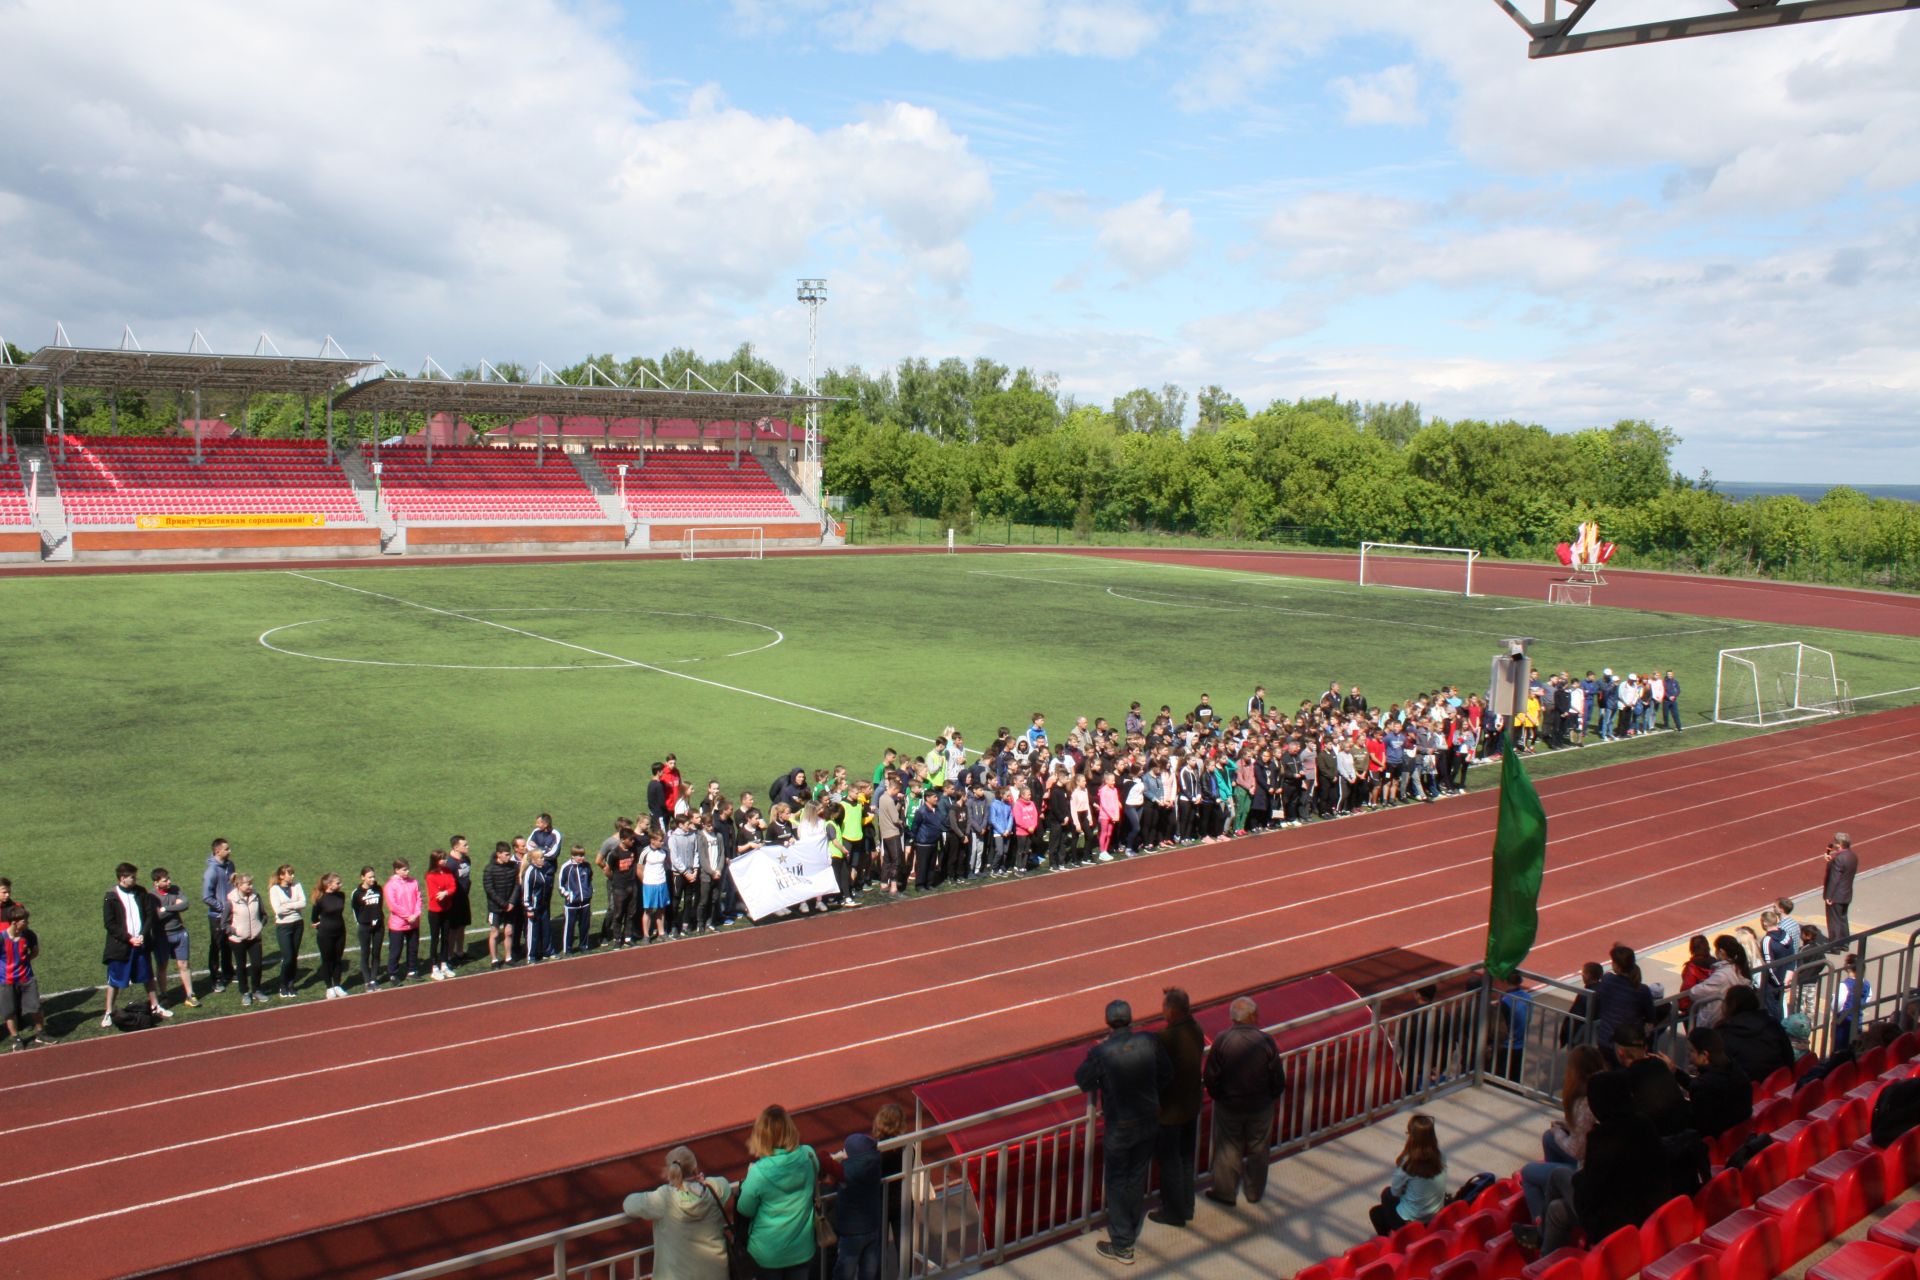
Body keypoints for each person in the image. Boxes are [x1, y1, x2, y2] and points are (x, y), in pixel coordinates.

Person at [1073, 998, 1172, 1265]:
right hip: (1148, 1119)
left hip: (1121, 1125)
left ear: (1108, 1022)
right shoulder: (1149, 1041)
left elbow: (1082, 1079)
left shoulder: (1102, 1053)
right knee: (1137, 1175)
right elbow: (1166, 1073)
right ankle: (1128, 1229)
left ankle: (1122, 1244)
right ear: (1130, 1019)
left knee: (1117, 1181)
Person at [1204, 995, 1285, 1209]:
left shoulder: (1222, 1040)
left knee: (1228, 1149)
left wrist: (1218, 1095)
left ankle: (1225, 1192)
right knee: (1259, 1149)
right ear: (1251, 1016)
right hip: (1260, 1105)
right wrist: (1271, 1096)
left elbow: (1210, 1075)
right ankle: (1254, 1192)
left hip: (1229, 1105)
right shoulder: (1266, 1041)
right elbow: (1278, 1076)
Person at [1521, 1045, 1605, 1222]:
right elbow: (1586, 1131)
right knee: (1548, 1138)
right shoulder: (1604, 1091)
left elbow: (1576, 1151)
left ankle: (1541, 1224)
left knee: (1528, 1172)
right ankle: (1556, 1193)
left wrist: (1560, 1132)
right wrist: (1566, 1128)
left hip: (1587, 1172)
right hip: (1593, 1160)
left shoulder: (1584, 1103)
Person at [623, 1145, 732, 1280]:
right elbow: (725, 1185)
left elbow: (629, 1204)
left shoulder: (665, 1197)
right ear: (695, 1168)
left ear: (671, 1171)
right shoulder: (714, 1189)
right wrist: (702, 1182)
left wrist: (672, 1185)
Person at [736, 1104, 819, 1280]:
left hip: (767, 1253)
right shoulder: (808, 1155)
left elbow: (745, 1208)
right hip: (802, 1249)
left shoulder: (759, 1172)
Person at [1151, 986, 1204, 1229]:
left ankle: (1173, 1212)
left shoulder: (1166, 1038)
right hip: (1191, 1106)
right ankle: (1186, 1205)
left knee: (1170, 1163)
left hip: (1171, 1112)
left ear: (1171, 1011)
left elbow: (1156, 1072)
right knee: (1185, 1159)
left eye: (1164, 1007)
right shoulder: (1196, 1030)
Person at [103, 862, 171, 1028]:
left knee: (147, 976)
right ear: (122, 878)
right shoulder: (110, 896)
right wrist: (128, 938)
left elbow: (149, 915)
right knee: (115, 980)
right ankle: (108, 1012)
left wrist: (142, 935)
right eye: (132, 877)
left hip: (141, 943)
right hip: (121, 946)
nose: (135, 879)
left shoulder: (140, 892)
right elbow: (110, 924)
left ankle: (155, 1005)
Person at [1368, 1114, 1447, 1235]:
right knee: (1377, 1212)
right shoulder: (1441, 1156)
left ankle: (1396, 1239)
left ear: (1412, 1137)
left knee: (1386, 1195)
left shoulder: (1408, 1164)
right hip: (1435, 1213)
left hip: (1413, 1218)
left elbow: (1395, 1191)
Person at [830, 1115, 886, 1280]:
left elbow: (830, 1177)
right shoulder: (875, 1165)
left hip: (851, 1231)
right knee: (869, 1270)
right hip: (872, 1226)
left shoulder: (847, 1171)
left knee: (844, 1271)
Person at [1680, 1027, 1752, 1139]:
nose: (1689, 1055)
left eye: (1691, 1051)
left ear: (1704, 1055)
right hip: (1739, 1135)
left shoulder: (1704, 1086)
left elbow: (1697, 1125)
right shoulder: (1735, 1069)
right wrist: (1676, 1073)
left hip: (1717, 1142)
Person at [1717, 984, 1794, 1083]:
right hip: (1778, 1082)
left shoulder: (1724, 1032)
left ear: (1730, 1005)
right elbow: (1789, 1056)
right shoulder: (1772, 1023)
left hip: (1745, 1089)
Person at [148, 868, 199, 1008]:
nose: (169, 881)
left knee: (184, 964)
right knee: (162, 965)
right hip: (162, 936)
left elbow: (185, 904)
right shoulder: (151, 896)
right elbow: (156, 917)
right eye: (165, 880)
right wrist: (174, 907)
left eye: (168, 878)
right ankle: (164, 994)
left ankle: (190, 994)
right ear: (156, 883)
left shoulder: (175, 889)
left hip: (180, 932)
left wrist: (166, 909)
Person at [1680, 934, 1750, 1030]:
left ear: (1721, 951)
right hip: (1732, 1016)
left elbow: (1693, 991)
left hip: (1715, 1019)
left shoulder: (1721, 974)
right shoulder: (1738, 968)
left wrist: (1684, 1007)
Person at [1, 908, 46, 1049]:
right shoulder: (2, 938)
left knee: (35, 1007)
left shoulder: (29, 935)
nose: (27, 922)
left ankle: (41, 1033)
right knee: (9, 1012)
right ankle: (17, 1039)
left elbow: (35, 952)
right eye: (24, 921)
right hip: (6, 981)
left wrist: (24, 963)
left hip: (26, 978)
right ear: (14, 923)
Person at [200, 838, 237, 994]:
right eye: (227, 849)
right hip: (216, 915)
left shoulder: (230, 865)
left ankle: (228, 971)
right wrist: (223, 908)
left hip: (230, 913)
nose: (230, 851)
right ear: (217, 851)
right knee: (216, 946)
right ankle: (215, 978)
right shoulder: (211, 872)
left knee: (228, 943)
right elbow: (206, 897)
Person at [225, 872, 267, 1007]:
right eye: (248, 884)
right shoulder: (231, 900)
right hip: (238, 940)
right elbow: (223, 923)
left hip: (255, 937)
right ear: (239, 885)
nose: (251, 886)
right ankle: (244, 992)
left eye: (251, 883)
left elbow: (264, 914)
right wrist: (235, 931)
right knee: (241, 967)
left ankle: (256, 990)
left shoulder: (256, 896)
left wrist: (260, 925)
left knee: (257, 965)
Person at [268, 864, 307, 999]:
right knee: (288, 957)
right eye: (289, 874)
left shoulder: (297, 886)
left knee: (294, 956)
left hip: (297, 923)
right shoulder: (274, 889)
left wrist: (287, 906)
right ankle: (283, 985)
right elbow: (278, 910)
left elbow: (303, 903)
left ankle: (291, 984)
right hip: (283, 926)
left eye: (292, 873)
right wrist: (294, 906)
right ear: (281, 876)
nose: (292, 876)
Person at [383, 859, 423, 984]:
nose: (407, 871)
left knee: (413, 948)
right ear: (397, 870)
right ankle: (393, 974)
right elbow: (393, 905)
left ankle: (412, 970)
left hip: (413, 922)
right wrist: (408, 916)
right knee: (395, 950)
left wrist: (415, 914)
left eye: (407, 869)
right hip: (398, 924)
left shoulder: (413, 882)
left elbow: (419, 899)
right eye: (404, 869)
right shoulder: (390, 886)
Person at [311, 872, 349, 998]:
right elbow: (314, 917)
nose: (341, 885)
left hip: (340, 932)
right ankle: (329, 987)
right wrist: (319, 925)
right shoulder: (320, 899)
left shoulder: (341, 895)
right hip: (325, 934)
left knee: (338, 959)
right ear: (329, 884)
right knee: (327, 960)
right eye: (338, 883)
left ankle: (337, 985)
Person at [484, 842, 521, 966]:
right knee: (494, 933)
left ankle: (508, 957)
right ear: (498, 854)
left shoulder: (514, 866)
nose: (508, 857)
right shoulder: (489, 869)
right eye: (506, 855)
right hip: (495, 908)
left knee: (509, 932)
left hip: (510, 906)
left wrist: (511, 902)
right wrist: (503, 903)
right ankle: (494, 959)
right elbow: (489, 889)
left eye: (509, 854)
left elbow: (517, 884)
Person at [425, 851, 458, 980]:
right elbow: (435, 895)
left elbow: (453, 886)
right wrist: (445, 893)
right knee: (435, 939)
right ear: (435, 860)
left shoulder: (447, 871)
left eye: (444, 858)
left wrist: (446, 892)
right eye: (442, 859)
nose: (444, 861)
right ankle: (434, 967)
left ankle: (444, 964)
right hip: (435, 912)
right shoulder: (430, 875)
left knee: (445, 937)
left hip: (447, 909)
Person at [444, 835, 475, 969]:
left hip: (464, 898)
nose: (468, 847)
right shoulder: (450, 864)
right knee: (453, 929)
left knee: (462, 926)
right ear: (456, 847)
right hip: (453, 901)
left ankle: (460, 952)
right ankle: (449, 956)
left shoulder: (466, 860)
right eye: (465, 845)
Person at [1834, 952, 1873, 1054]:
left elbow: (1837, 1004)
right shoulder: (1866, 983)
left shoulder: (1844, 985)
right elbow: (1868, 997)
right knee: (1854, 1046)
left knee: (1840, 1049)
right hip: (1858, 1020)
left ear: (1848, 967)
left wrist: (1836, 1011)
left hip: (1843, 1021)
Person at [521, 847, 555, 962]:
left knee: (546, 929)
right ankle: (531, 956)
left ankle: (548, 951)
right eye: (540, 858)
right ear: (534, 860)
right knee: (533, 932)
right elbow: (526, 892)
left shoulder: (541, 869)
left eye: (543, 857)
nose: (543, 860)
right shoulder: (530, 872)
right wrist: (528, 908)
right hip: (534, 907)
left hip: (543, 905)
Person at [559, 845, 595, 953]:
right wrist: (569, 895)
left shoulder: (587, 866)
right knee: (569, 927)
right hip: (571, 904)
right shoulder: (566, 867)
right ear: (573, 856)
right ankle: (568, 948)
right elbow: (561, 885)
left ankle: (584, 946)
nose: (581, 858)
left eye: (582, 855)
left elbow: (589, 879)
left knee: (584, 926)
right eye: (578, 856)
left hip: (585, 901)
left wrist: (590, 891)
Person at [1824, 833, 1857, 945]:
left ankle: (1835, 945)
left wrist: (1829, 895)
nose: (1834, 844)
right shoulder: (1852, 856)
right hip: (1846, 893)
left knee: (1834, 921)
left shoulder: (1839, 858)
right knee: (1843, 919)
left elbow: (1834, 878)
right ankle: (1845, 942)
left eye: (1836, 842)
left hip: (1836, 895)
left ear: (1840, 844)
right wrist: (1831, 862)